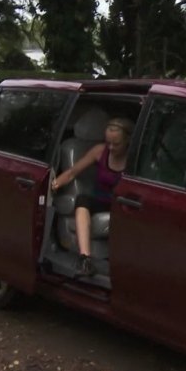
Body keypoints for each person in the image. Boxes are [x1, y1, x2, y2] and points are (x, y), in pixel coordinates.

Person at [51, 117, 135, 276]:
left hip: (122, 202)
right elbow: (72, 173)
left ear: (128, 141)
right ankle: (85, 258)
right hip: (102, 200)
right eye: (108, 142)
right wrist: (53, 185)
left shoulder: (134, 157)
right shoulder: (99, 151)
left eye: (116, 144)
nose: (110, 147)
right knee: (82, 200)